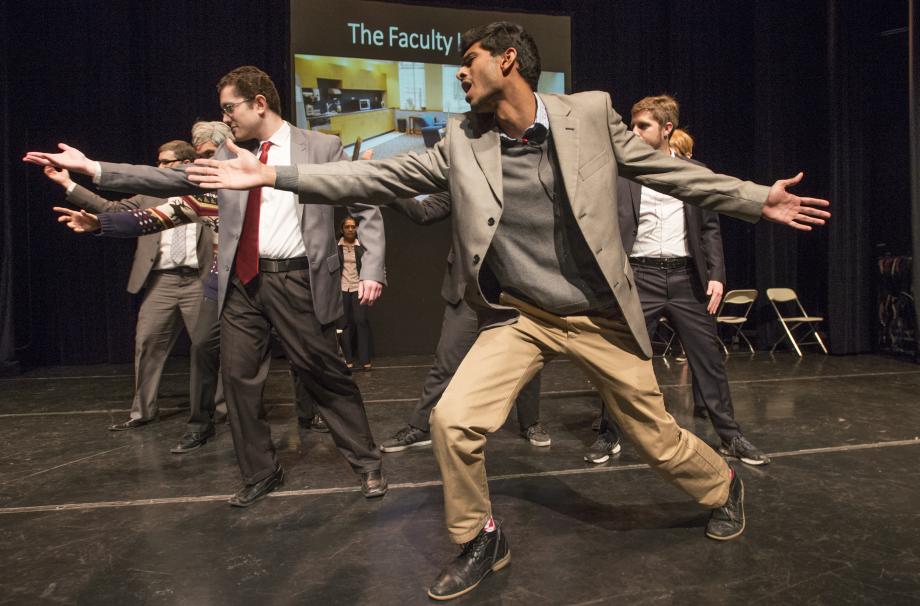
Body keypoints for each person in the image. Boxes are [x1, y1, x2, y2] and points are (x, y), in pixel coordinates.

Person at [30, 23, 830, 597]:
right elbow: (366, 182)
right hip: (518, 314)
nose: (461, 77)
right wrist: (267, 179)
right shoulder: (461, 141)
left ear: (507, 61)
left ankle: (721, 485)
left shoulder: (590, 114)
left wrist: (759, 200)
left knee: (656, 436)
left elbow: (668, 171)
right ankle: (478, 539)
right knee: (454, 423)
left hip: (593, 314)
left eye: (470, 64)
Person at [27, 66, 389, 505]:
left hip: (298, 280)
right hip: (241, 282)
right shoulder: (227, 155)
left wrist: (371, 268)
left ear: (259, 102)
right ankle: (261, 471)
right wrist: (91, 168)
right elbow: (167, 181)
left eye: (229, 107)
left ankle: (367, 464)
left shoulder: (321, 146)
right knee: (237, 378)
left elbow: (364, 202)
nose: (226, 118)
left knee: (324, 375)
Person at [588, 94, 770, 467]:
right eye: (632, 125)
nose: (634, 132)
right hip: (639, 276)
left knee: (708, 358)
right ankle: (609, 433)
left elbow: (709, 228)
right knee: (622, 359)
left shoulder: (694, 171)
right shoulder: (621, 173)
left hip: (687, 277)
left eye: (643, 126)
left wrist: (717, 275)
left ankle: (730, 436)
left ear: (667, 129)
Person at [43, 141, 214, 434]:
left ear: (184, 164)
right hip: (162, 280)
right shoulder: (149, 194)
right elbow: (112, 209)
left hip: (198, 280)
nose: (158, 167)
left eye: (165, 162)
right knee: (147, 343)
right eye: (157, 162)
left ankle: (214, 412)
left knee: (205, 348)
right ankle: (143, 412)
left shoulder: (206, 193)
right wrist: (69, 184)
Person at [382, 193, 551, 452]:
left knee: (527, 358)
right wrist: (384, 191)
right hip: (470, 288)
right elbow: (424, 212)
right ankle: (421, 426)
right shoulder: (466, 177)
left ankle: (531, 422)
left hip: (517, 286)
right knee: (446, 359)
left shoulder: (523, 175)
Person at [337, 216, 374, 370]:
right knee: (343, 324)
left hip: (358, 288)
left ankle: (365, 360)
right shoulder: (336, 246)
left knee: (361, 321)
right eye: (347, 227)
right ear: (342, 229)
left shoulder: (362, 246)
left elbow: (369, 265)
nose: (351, 229)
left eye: (353, 227)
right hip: (342, 288)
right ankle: (348, 359)